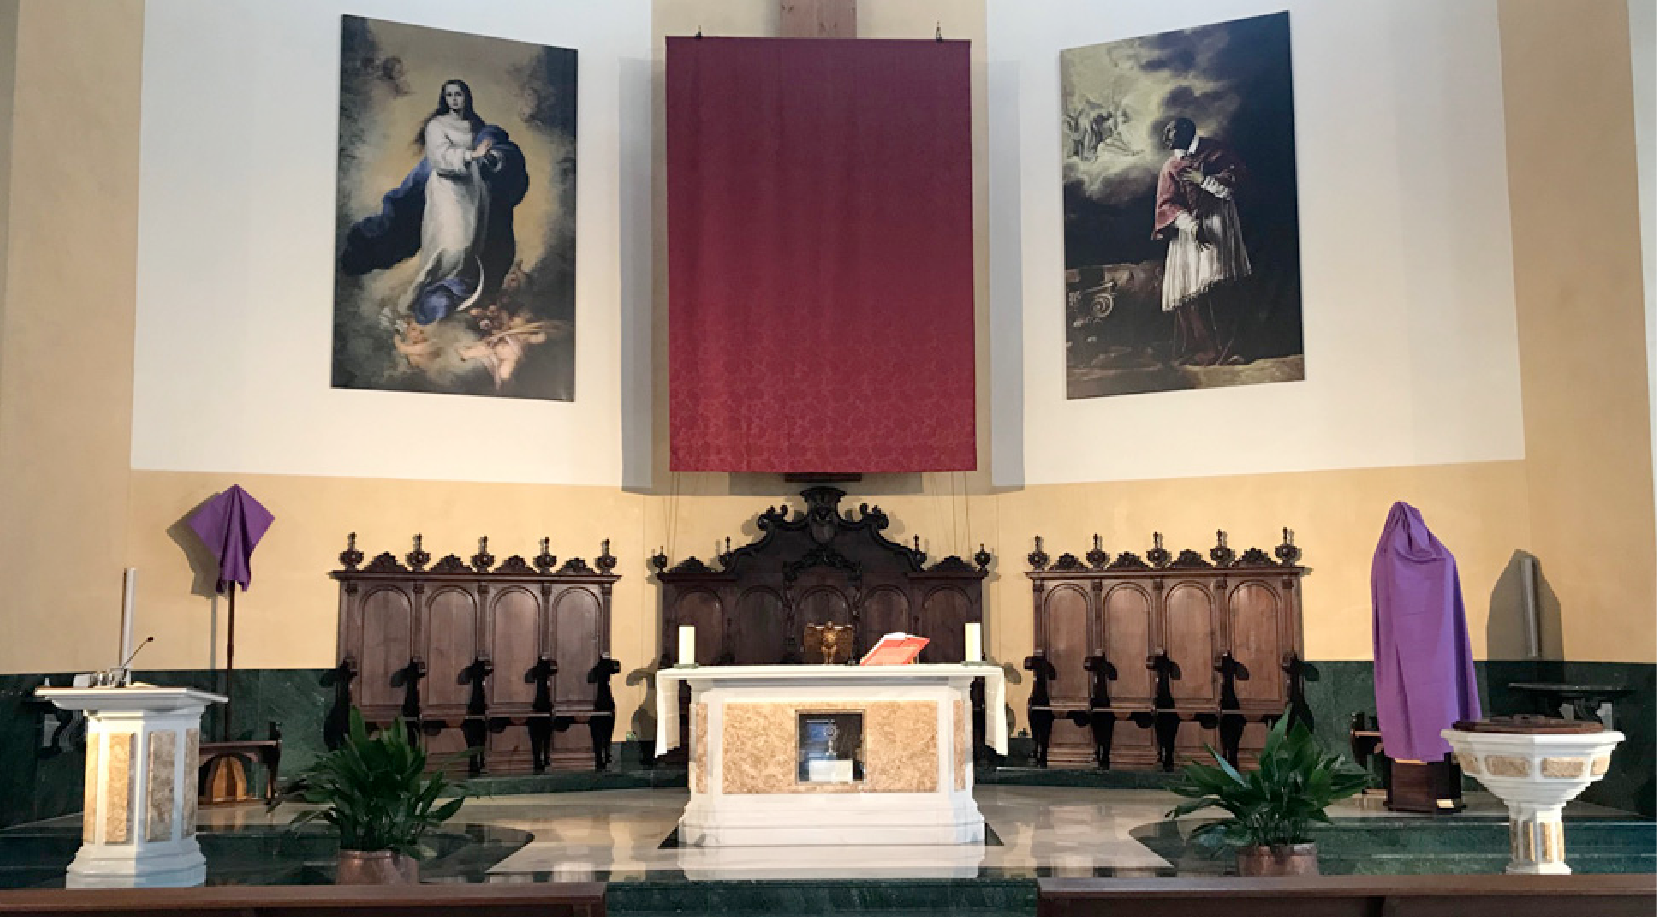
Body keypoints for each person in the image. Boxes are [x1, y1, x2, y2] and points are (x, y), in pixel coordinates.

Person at [340, 79, 529, 326]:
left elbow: (491, 148)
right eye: (450, 95)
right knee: (452, 245)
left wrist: (492, 157)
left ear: (466, 97)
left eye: (458, 94)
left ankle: (448, 294)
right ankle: (418, 296)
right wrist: (472, 155)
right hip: (447, 189)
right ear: (444, 98)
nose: (454, 99)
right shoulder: (436, 125)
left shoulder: (475, 125)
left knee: (470, 245)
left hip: (473, 190)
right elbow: (440, 159)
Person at [1151, 117, 1251, 365]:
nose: (1167, 137)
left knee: (1218, 283)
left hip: (1218, 223)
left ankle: (1230, 348)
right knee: (1189, 289)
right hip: (1187, 230)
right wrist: (1191, 226)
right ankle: (1201, 348)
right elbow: (1166, 205)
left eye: (1173, 132)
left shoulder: (1216, 152)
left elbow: (1233, 184)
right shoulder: (1171, 166)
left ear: (1187, 132)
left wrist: (1203, 180)